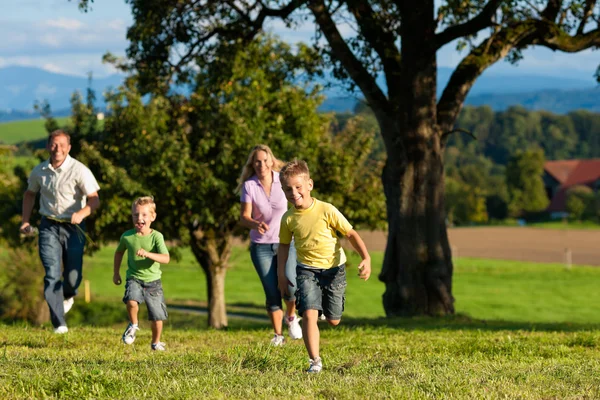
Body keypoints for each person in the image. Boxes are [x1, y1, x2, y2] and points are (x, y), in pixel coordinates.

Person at [277, 159, 371, 373]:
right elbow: (283, 247)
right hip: (306, 270)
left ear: (309, 184)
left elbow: (351, 234)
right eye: (288, 189)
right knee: (309, 314)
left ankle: (324, 310)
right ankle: (315, 362)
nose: (293, 193)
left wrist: (366, 257)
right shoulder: (288, 219)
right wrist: (282, 274)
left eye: (298, 187)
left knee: (334, 320)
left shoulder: (326, 210)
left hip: (334, 270)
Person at [20, 129, 100, 334]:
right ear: (47, 147)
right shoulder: (40, 171)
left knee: (73, 276)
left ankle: (68, 294)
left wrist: (82, 213)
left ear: (69, 148)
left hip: (74, 227)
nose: (58, 149)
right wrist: (25, 221)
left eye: (62, 145)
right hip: (48, 226)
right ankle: (59, 323)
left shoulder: (80, 170)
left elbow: (94, 199)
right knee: (52, 272)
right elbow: (29, 194)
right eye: (54, 145)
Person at [237, 144, 302, 346]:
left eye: (265, 160)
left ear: (271, 161)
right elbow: (243, 217)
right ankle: (278, 335)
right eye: (257, 161)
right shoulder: (250, 186)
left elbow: (297, 202)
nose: (261, 164)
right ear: (252, 164)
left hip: (286, 242)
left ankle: (291, 317)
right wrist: (255, 223)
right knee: (271, 291)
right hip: (261, 246)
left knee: (290, 285)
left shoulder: (282, 180)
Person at [113, 196, 170, 351]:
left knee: (157, 317)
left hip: (154, 282)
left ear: (153, 217)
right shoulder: (127, 237)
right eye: (136, 215)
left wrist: (148, 254)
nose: (139, 218)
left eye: (144, 215)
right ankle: (133, 325)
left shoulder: (157, 237)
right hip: (134, 278)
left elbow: (166, 258)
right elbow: (118, 253)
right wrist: (116, 273)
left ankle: (155, 343)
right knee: (131, 301)